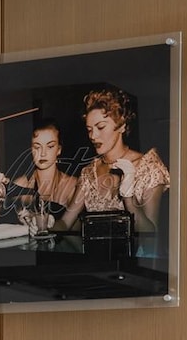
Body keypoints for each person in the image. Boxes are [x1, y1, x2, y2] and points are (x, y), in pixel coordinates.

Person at [55, 87, 170, 234]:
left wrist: (128, 197)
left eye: (100, 127)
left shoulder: (150, 167)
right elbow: (65, 223)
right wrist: (42, 227)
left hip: (136, 256)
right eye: (89, 129)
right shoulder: (89, 172)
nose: (93, 136)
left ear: (122, 126)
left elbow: (150, 232)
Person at [12, 119, 77, 218]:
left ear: (59, 149)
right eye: (37, 147)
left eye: (50, 146)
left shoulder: (72, 185)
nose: (43, 153)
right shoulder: (20, 184)